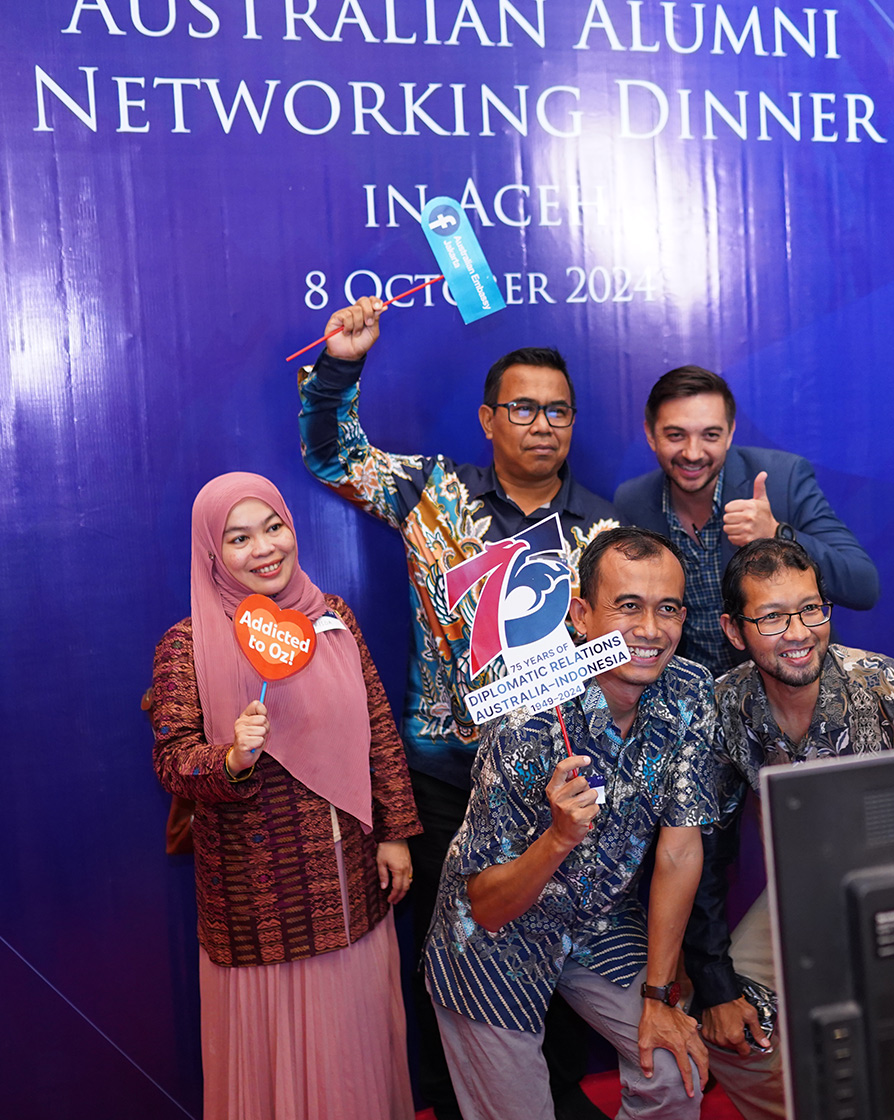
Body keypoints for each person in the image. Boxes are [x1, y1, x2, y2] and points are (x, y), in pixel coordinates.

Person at [298, 298, 618, 1120]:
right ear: (487, 418)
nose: (541, 425)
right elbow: (334, 454)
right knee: (451, 954)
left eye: (558, 411)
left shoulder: (604, 532)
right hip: (446, 772)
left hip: (556, 780)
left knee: (551, 945)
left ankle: (552, 1099)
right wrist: (341, 363)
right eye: (523, 408)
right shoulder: (434, 495)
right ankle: (451, 1103)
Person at [150, 472, 422, 1120]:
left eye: (273, 527)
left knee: (350, 1062)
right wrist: (234, 757)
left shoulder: (332, 620)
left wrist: (395, 833)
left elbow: (378, 729)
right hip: (257, 906)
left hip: (347, 886)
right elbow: (171, 763)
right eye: (239, 538)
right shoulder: (185, 646)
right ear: (213, 552)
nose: (265, 548)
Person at [423, 528, 717, 1120]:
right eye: (628, 607)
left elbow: (681, 851)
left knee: (674, 1073)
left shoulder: (689, 693)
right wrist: (558, 838)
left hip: (600, 919)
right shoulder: (525, 723)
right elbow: (485, 906)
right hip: (491, 942)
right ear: (581, 615)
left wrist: (661, 995)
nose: (651, 630)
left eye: (668, 609)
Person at [683, 538, 894, 1120]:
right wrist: (716, 984)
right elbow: (704, 852)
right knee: (728, 1026)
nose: (798, 631)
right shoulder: (725, 706)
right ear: (734, 631)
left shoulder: (888, 689)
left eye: (811, 609)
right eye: (771, 616)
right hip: (806, 894)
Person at [613, 366, 880, 675]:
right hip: (691, 698)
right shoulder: (631, 501)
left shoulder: (784, 478)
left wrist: (777, 533)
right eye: (676, 435)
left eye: (710, 435)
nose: (693, 452)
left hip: (781, 685)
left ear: (730, 434)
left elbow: (863, 586)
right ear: (650, 434)